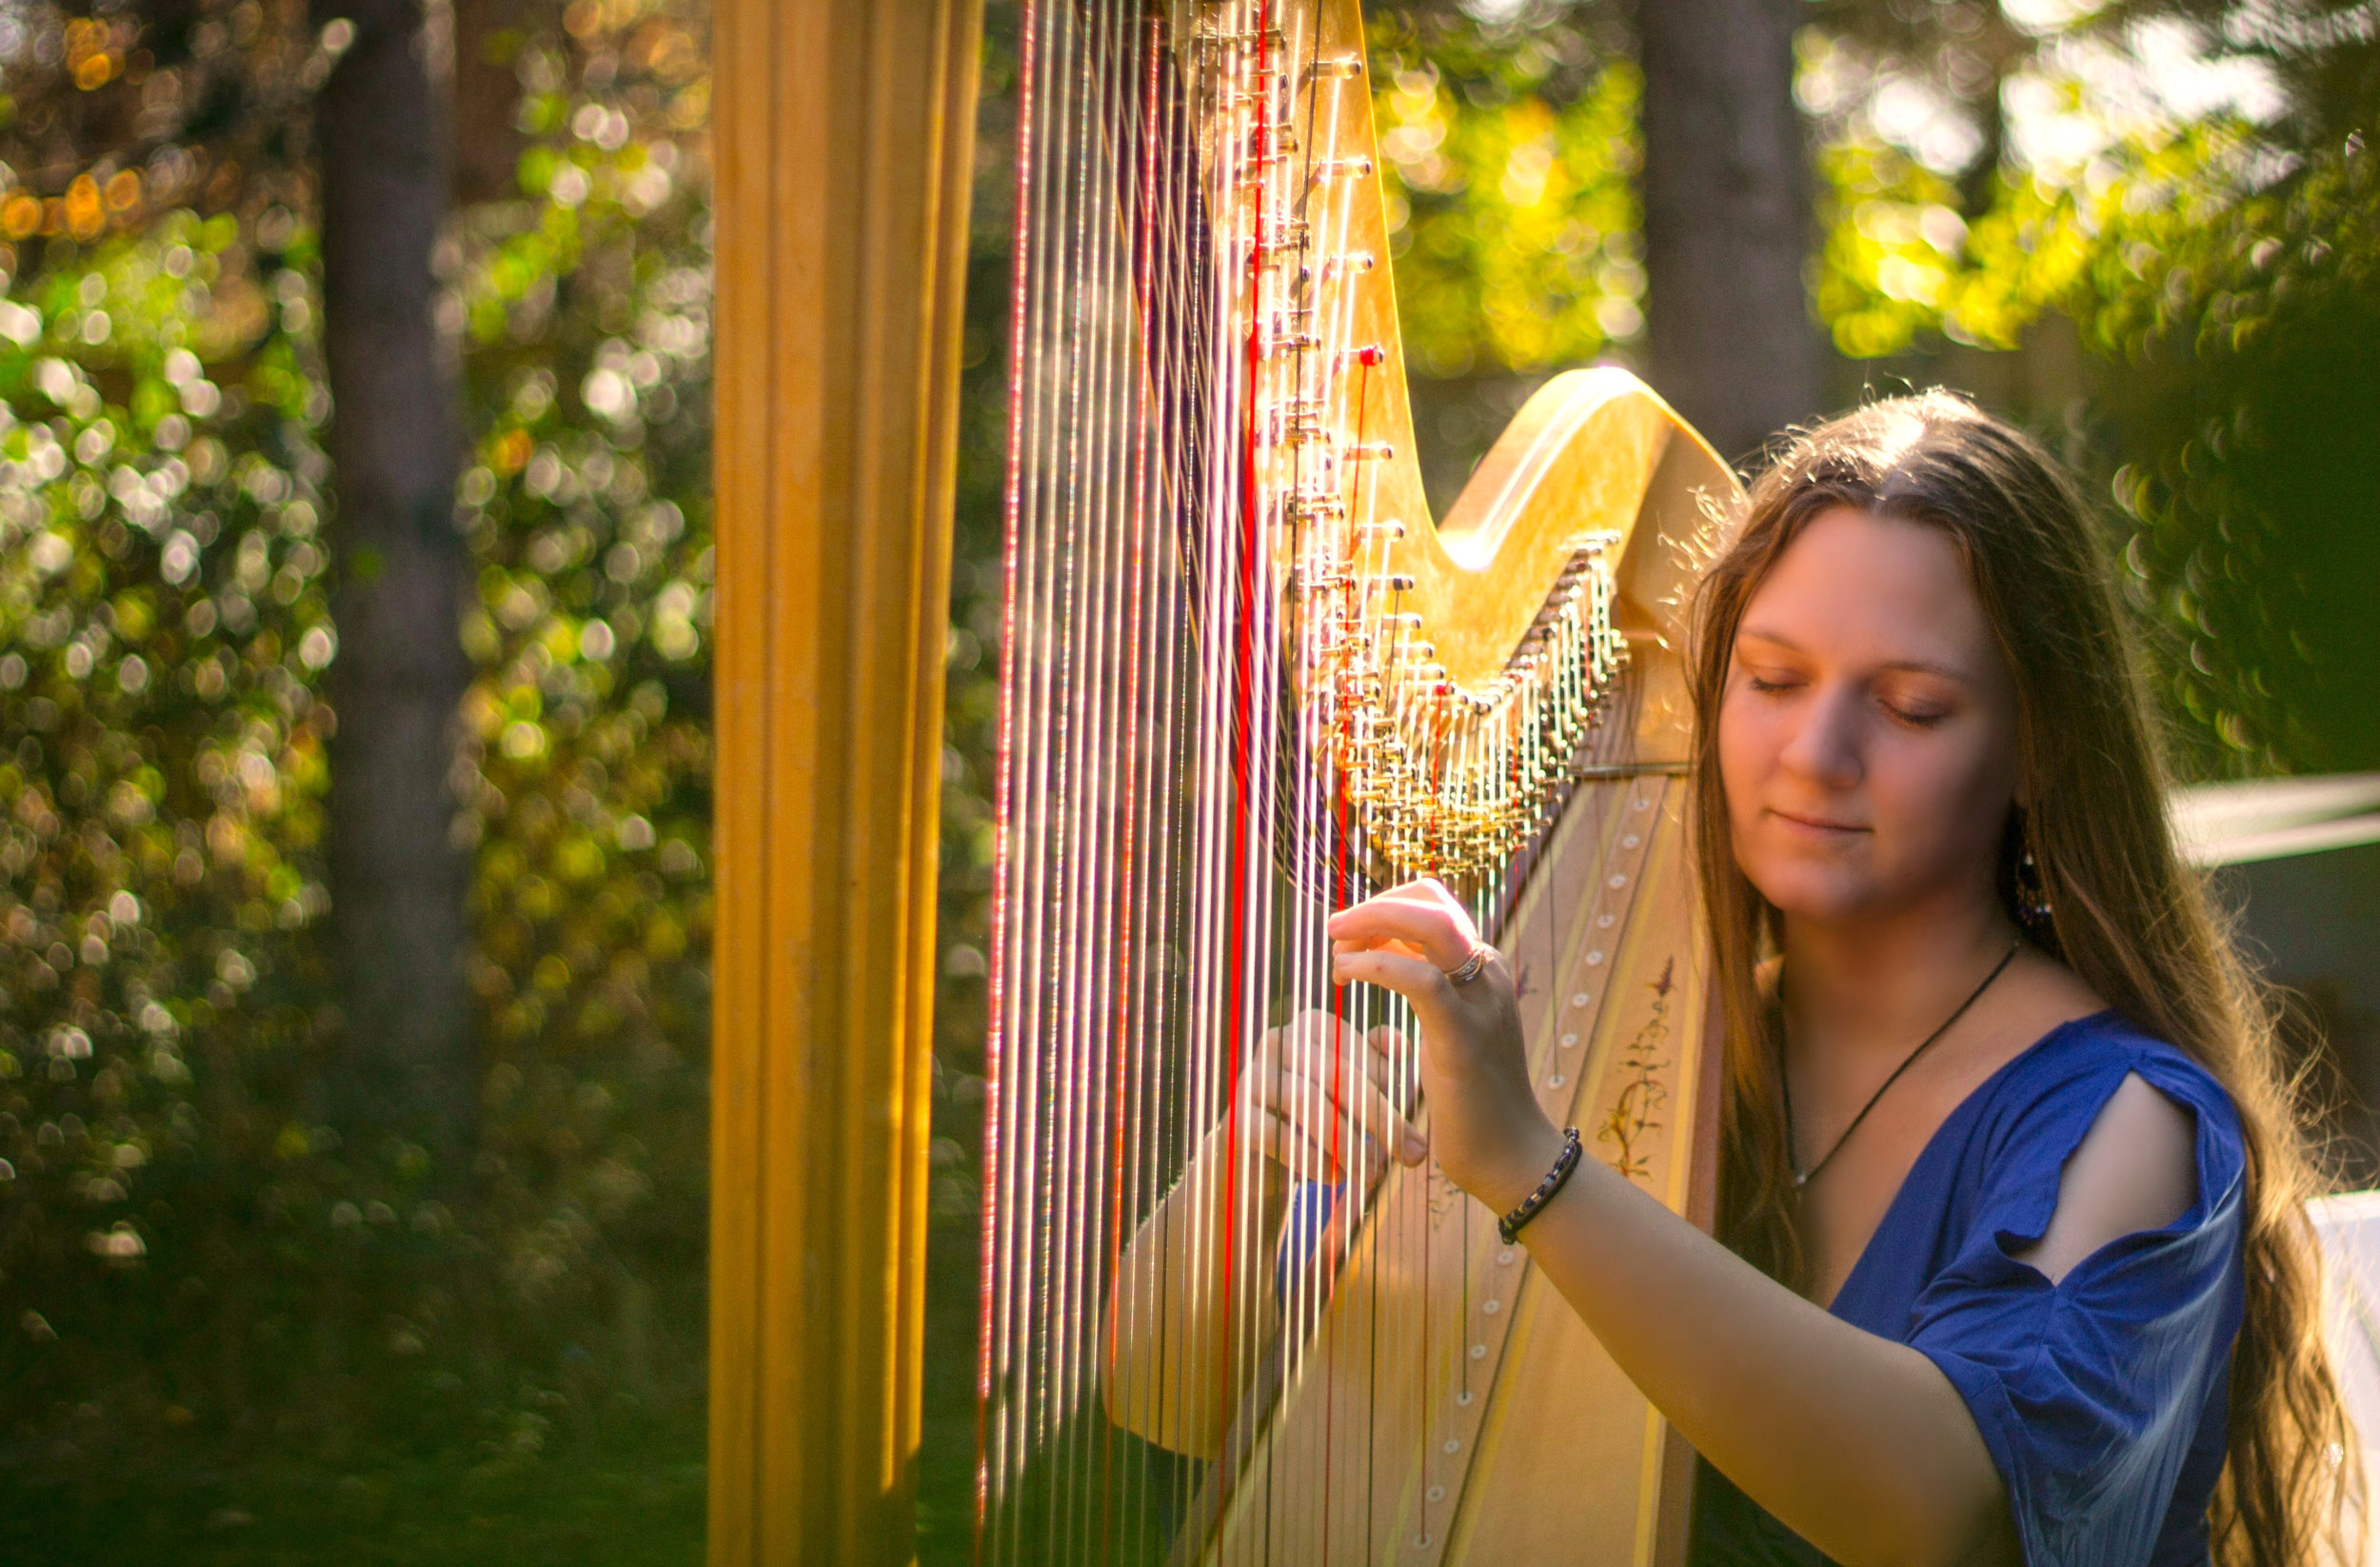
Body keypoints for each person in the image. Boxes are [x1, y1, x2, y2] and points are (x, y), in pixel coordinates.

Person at [1116, 393, 2359, 1565]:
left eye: (1914, 706)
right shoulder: (1645, 1036)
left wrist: (1534, 1175)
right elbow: (1161, 1399)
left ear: (2039, 750)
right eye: (1770, 680)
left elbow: (1933, 1503)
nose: (1817, 753)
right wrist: (1251, 1164)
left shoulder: (2130, 1122)